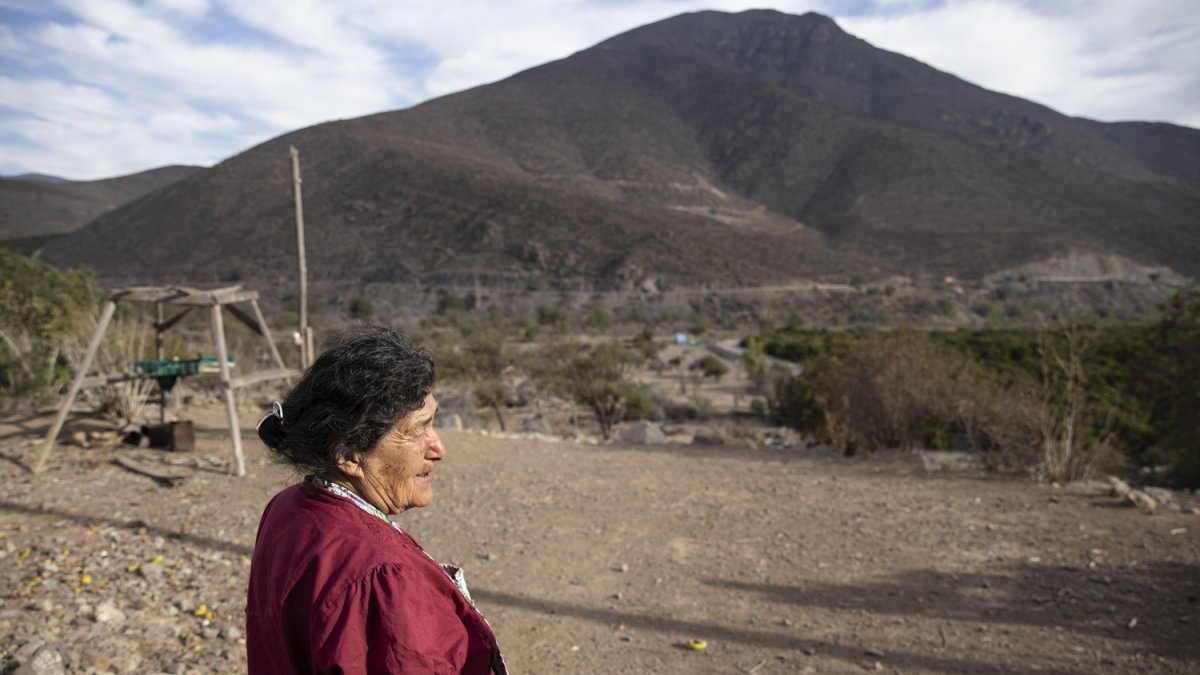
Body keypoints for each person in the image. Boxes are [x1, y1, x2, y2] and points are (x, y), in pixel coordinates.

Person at [246, 326, 505, 674]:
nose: (439, 449)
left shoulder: (289, 507)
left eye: (434, 423)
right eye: (417, 429)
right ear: (349, 456)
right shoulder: (381, 574)